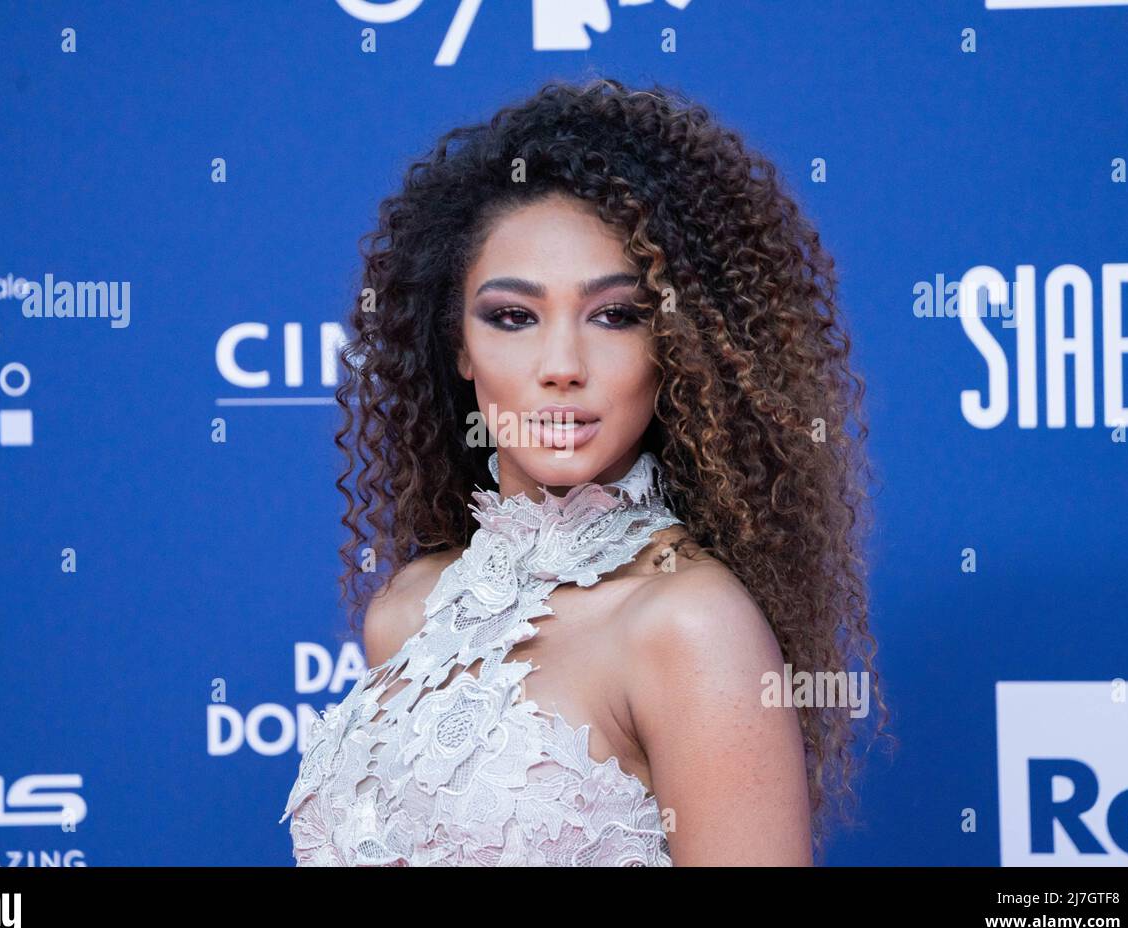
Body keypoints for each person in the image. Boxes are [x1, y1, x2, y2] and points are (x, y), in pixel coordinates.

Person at [280, 77, 885, 866]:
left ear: (676, 346)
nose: (561, 365)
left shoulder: (689, 627)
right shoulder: (404, 613)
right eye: (513, 317)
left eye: (615, 315)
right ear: (459, 345)